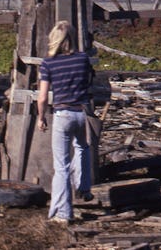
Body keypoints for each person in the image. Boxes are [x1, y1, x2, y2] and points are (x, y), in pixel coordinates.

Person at [36, 20, 94, 223]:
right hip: (81, 113)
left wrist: (41, 117)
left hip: (62, 115)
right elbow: (87, 82)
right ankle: (84, 187)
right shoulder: (83, 59)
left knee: (61, 166)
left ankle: (63, 213)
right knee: (82, 148)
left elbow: (43, 97)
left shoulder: (48, 63)